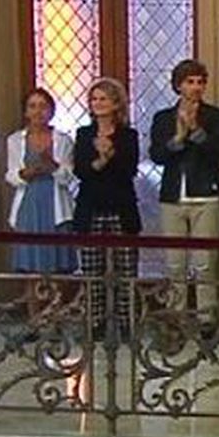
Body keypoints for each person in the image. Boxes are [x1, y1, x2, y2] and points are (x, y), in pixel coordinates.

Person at [150, 59, 219, 319]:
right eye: (190, 82)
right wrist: (178, 139)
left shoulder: (214, 116)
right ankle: (176, 317)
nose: (196, 87)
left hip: (205, 195)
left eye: (200, 82)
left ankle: (206, 318)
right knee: (175, 264)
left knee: (204, 264)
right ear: (178, 85)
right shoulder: (163, 118)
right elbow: (157, 155)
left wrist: (195, 130)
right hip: (172, 197)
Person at [73, 77, 141, 338]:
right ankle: (95, 323)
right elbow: (82, 171)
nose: (98, 103)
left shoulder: (128, 136)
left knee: (126, 271)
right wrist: (101, 160)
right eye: (94, 99)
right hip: (91, 208)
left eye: (103, 98)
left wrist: (111, 155)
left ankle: (127, 324)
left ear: (116, 104)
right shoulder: (84, 135)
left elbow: (129, 170)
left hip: (121, 208)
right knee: (93, 272)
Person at [5, 88, 77, 280]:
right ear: (26, 112)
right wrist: (26, 173)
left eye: (43, 106)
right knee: (30, 267)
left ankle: (58, 309)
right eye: (33, 106)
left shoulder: (63, 140)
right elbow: (11, 176)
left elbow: (68, 177)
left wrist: (53, 166)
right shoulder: (15, 140)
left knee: (58, 266)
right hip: (29, 205)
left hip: (56, 207)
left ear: (51, 111)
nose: (38, 111)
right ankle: (33, 310)